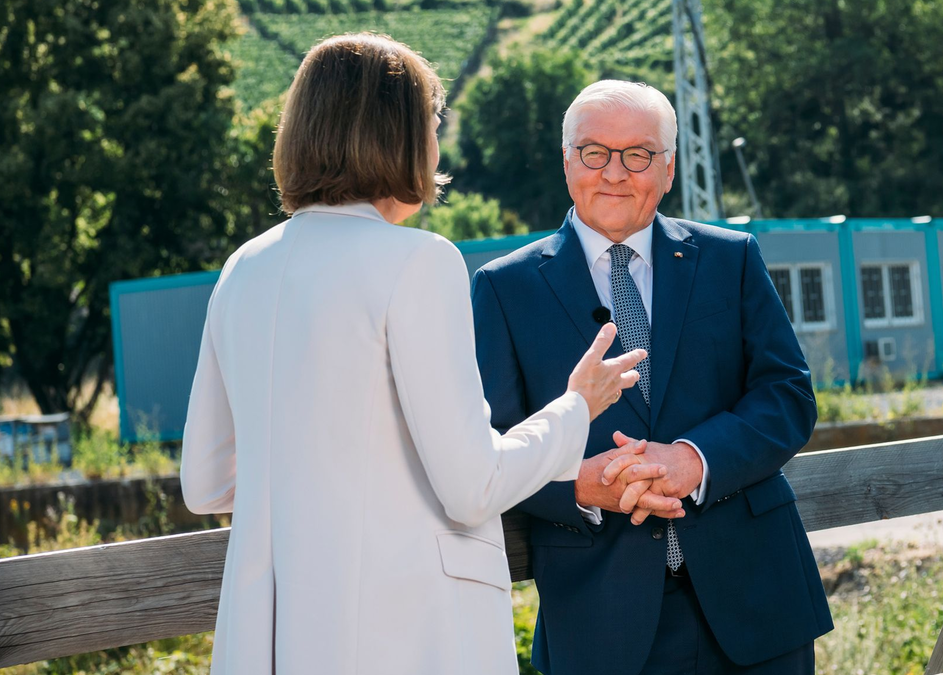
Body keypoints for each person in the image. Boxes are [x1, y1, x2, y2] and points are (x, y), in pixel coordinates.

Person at [180, 36, 654, 675]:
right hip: (405, 634)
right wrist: (576, 407)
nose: (436, 150)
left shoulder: (243, 268)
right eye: (431, 128)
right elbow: (473, 485)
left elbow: (204, 482)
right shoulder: (420, 262)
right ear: (398, 137)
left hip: (269, 639)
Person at [471, 80, 833, 675]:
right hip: (600, 622)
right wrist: (581, 485)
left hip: (757, 605)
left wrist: (693, 459)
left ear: (667, 170)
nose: (614, 172)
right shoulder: (503, 288)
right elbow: (492, 447)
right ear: (567, 162)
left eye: (637, 154)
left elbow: (787, 396)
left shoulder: (732, 258)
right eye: (594, 152)